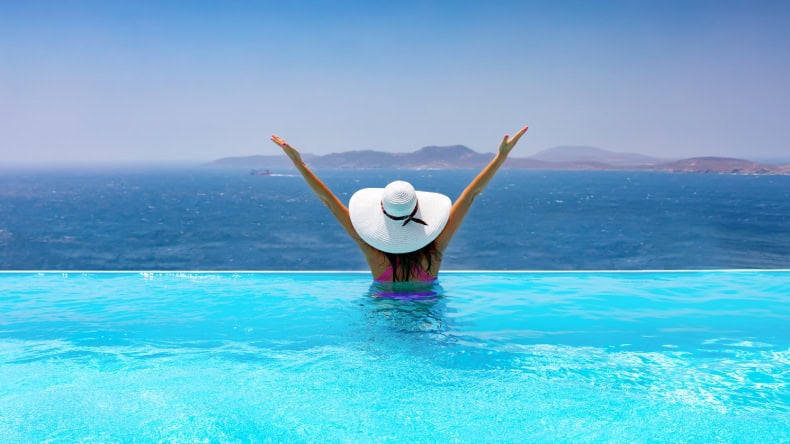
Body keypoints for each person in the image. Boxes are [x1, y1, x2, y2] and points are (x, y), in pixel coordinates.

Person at [270, 125, 528, 283]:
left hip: (382, 318)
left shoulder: (373, 252)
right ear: (418, 209)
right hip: (428, 320)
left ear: (382, 213)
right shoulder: (436, 249)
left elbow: (328, 201)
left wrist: (298, 163)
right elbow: (471, 195)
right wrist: (500, 156)